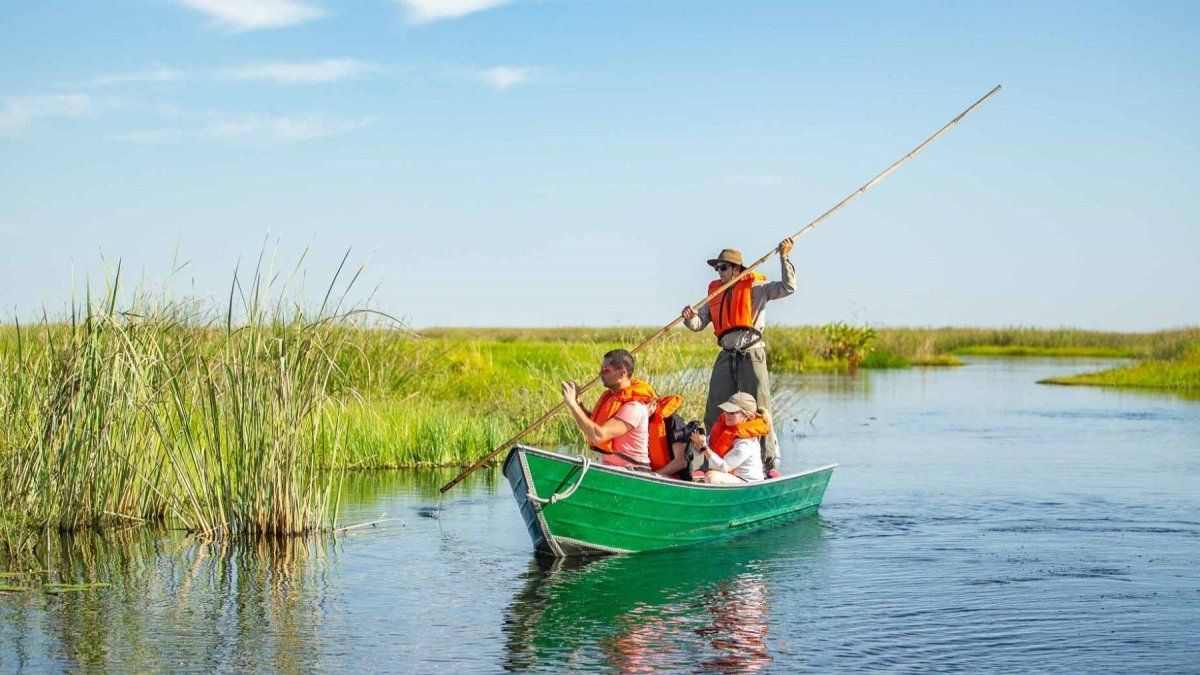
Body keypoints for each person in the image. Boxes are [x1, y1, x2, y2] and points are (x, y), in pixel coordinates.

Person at [681, 238, 795, 475]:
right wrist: (689, 317)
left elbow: (788, 287)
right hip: (726, 353)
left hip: (751, 353)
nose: (719, 272)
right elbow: (699, 323)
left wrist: (784, 257)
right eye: (717, 268)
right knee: (715, 409)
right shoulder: (715, 293)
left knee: (759, 408)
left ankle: (768, 463)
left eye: (723, 268)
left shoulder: (756, 288)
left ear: (736, 269)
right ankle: (707, 462)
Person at [562, 349, 655, 469]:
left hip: (634, 472)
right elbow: (594, 425)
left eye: (606, 370)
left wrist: (572, 404)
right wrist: (577, 402)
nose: (600, 374)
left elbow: (598, 435)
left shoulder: (633, 408)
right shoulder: (613, 398)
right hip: (613, 468)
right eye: (601, 369)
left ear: (621, 374)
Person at [690, 392, 769, 484]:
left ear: (746, 416)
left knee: (711, 477)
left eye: (732, 412)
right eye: (726, 411)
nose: (727, 415)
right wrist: (698, 441)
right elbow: (705, 444)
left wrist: (704, 447)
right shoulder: (726, 430)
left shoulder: (747, 443)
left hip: (749, 484)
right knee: (696, 477)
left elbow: (724, 467)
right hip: (732, 477)